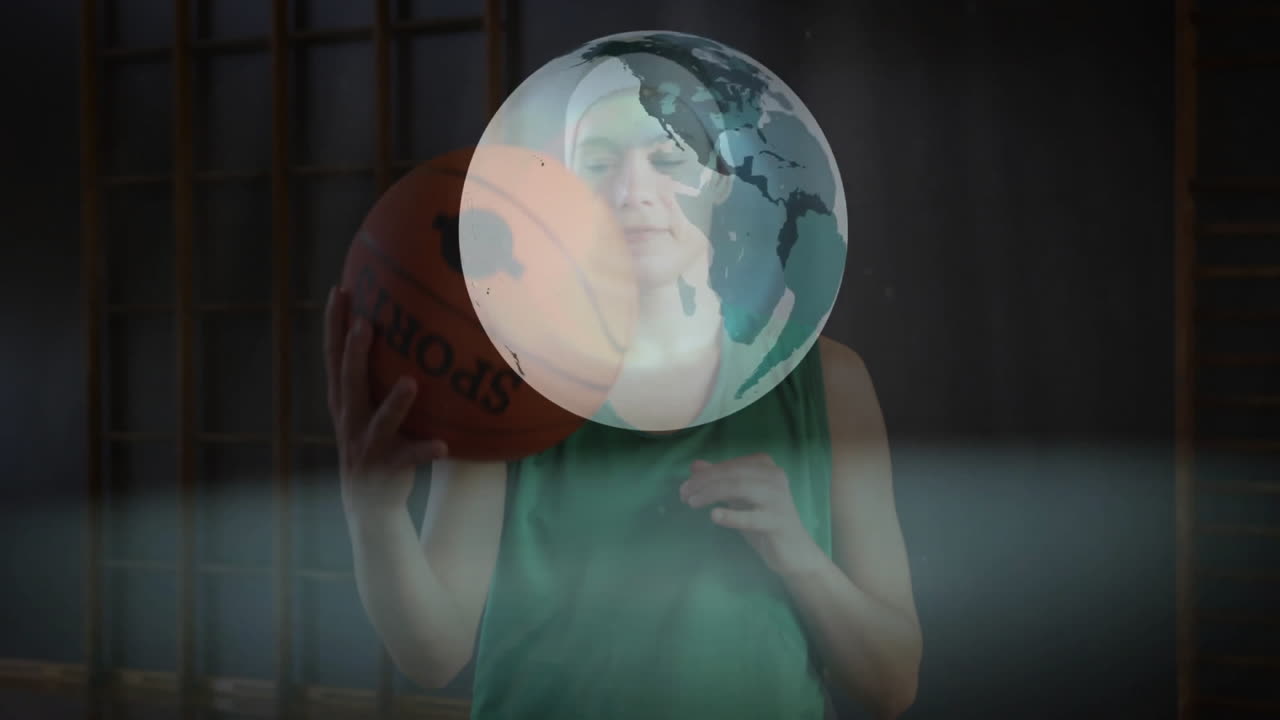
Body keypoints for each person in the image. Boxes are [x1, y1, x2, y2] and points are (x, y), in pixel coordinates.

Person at [329, 51, 921, 720]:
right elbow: (432, 653)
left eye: (667, 160)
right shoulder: (505, 372)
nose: (632, 192)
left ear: (721, 181)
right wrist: (372, 515)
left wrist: (800, 556)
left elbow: (892, 684)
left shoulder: (828, 382)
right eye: (599, 162)